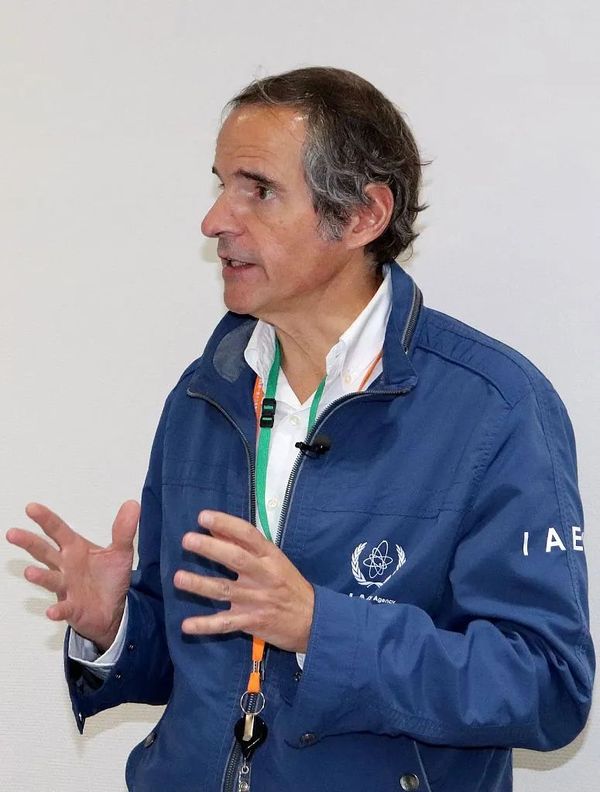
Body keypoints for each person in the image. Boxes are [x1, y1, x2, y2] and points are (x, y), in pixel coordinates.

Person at [7, 67, 594, 792]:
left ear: (362, 216)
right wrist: (116, 625)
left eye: (257, 190)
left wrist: (323, 629)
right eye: (221, 184)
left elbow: (547, 685)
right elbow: (202, 659)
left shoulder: (494, 407)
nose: (215, 220)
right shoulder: (206, 392)